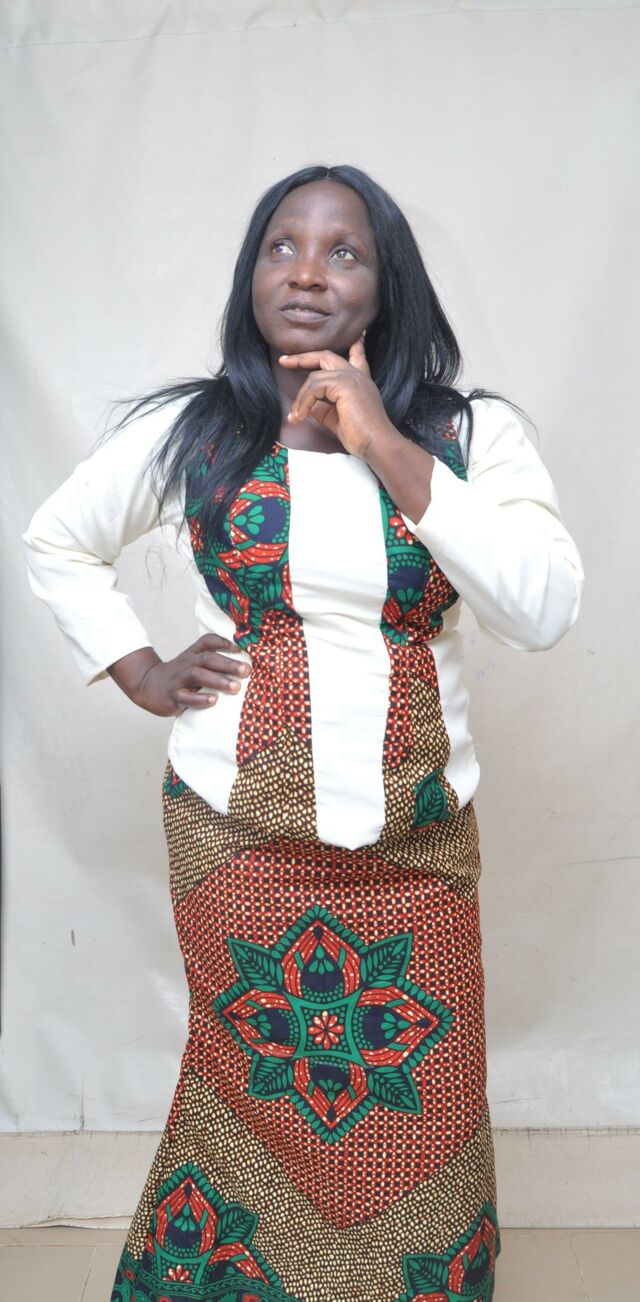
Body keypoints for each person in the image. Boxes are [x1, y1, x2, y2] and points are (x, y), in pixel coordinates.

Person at [22, 163, 584, 1302]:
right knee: (247, 1094)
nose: (308, 274)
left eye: (344, 252)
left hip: (418, 841)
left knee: (422, 1104)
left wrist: (380, 438)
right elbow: (57, 539)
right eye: (283, 246)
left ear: (386, 287)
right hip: (235, 834)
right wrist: (138, 668)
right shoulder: (201, 430)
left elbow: (542, 608)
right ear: (251, 273)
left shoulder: (468, 436)